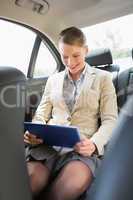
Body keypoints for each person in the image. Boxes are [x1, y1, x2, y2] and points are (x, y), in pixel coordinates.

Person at [24, 27, 118, 200]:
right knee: (29, 183)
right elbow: (41, 115)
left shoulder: (103, 78)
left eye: (75, 55)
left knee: (66, 189)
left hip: (82, 152)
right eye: (64, 56)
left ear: (86, 50)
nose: (70, 62)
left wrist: (94, 144)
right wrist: (34, 132)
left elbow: (110, 120)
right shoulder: (53, 80)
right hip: (47, 148)